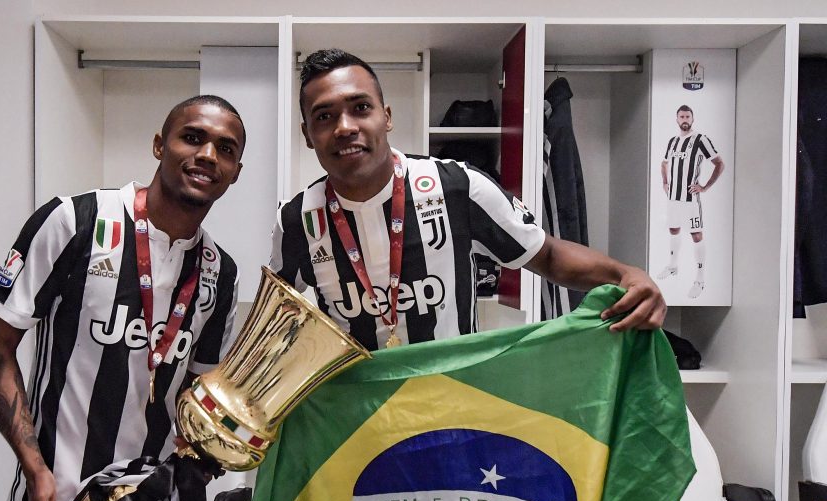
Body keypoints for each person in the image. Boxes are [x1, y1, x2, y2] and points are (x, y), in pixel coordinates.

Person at [0, 95, 245, 501]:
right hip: (51, 494)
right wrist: (34, 468)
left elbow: (200, 393)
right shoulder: (74, 220)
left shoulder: (221, 270)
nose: (208, 154)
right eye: (192, 137)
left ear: (236, 172)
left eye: (227, 148)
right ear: (159, 145)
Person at [270, 49, 665, 351]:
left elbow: (545, 254)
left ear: (385, 117)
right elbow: (275, 319)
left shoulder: (458, 187)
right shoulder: (295, 221)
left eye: (360, 108)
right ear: (307, 135)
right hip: (356, 419)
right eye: (324, 117)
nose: (345, 127)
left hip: (454, 410)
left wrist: (626, 275)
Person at [658, 104, 725, 299]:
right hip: (673, 198)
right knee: (674, 230)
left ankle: (700, 279)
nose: (684, 119)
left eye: (688, 116)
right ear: (677, 119)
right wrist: (664, 181)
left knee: (696, 235)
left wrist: (705, 187)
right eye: (681, 117)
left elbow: (719, 163)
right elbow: (664, 163)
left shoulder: (700, 140)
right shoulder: (672, 141)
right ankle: (673, 266)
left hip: (690, 200)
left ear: (693, 119)